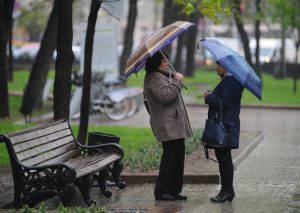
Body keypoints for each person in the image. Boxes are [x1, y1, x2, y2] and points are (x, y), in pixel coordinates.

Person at [143, 51, 193, 201]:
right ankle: (162, 191)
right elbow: (165, 96)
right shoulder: (153, 77)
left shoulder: (162, 74)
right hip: (167, 124)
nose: (166, 63)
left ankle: (174, 190)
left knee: (178, 158)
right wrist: (177, 81)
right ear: (157, 62)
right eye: (164, 60)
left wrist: (174, 78)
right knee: (169, 159)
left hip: (173, 123)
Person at [203, 61, 244, 203]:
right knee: (223, 158)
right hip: (226, 125)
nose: (216, 67)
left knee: (225, 159)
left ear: (226, 66)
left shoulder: (231, 81)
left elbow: (223, 104)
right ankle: (227, 190)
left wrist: (208, 97)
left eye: (218, 65)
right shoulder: (229, 79)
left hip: (226, 126)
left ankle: (227, 191)